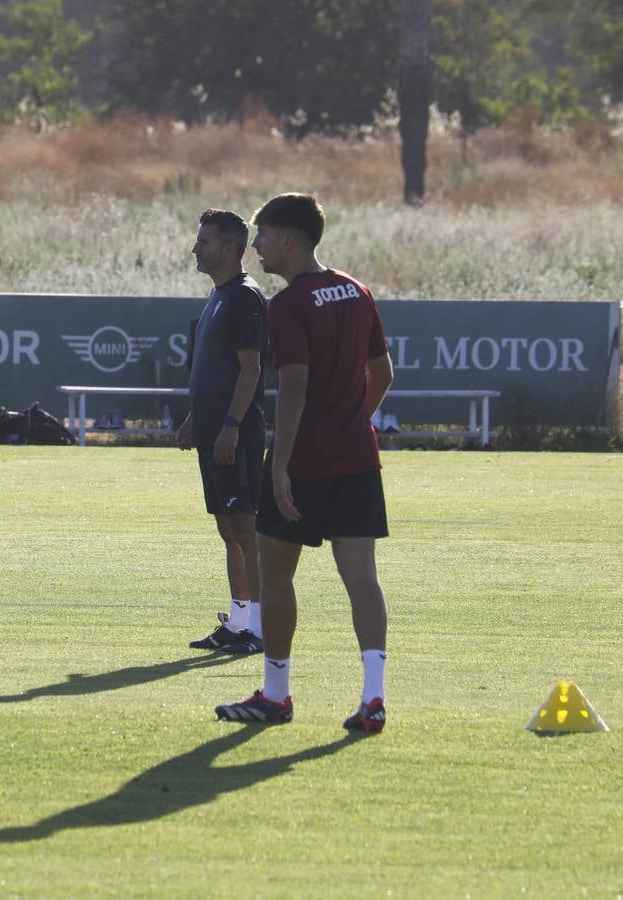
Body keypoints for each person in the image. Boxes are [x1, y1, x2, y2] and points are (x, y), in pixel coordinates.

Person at [214, 193, 394, 732]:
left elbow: (293, 384)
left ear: (289, 239)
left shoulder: (288, 304)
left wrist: (279, 466)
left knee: (274, 574)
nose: (259, 248)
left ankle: (276, 695)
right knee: (362, 578)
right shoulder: (358, 291)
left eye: (263, 236)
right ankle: (373, 697)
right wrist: (352, 420)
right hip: (358, 459)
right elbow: (383, 372)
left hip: (307, 461)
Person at [177, 208, 268, 655]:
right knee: (228, 529)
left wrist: (231, 425)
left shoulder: (245, 297)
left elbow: (250, 370)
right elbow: (213, 370)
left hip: (237, 435)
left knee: (247, 530)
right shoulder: (217, 296)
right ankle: (237, 621)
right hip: (213, 433)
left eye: (204, 241)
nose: (196, 248)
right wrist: (197, 418)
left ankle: (260, 629)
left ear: (230, 248)